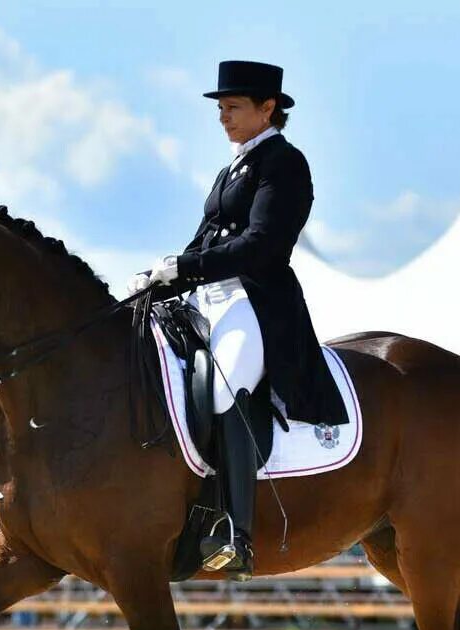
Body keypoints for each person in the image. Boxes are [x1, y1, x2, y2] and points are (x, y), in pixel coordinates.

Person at [129, 60, 347, 579]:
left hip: (255, 301)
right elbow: (205, 238)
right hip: (208, 299)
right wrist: (162, 278)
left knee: (227, 388)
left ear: (267, 107)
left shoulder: (284, 163)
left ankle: (235, 531)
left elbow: (262, 246)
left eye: (232, 107)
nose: (222, 117)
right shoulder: (233, 166)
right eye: (221, 108)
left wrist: (188, 267)